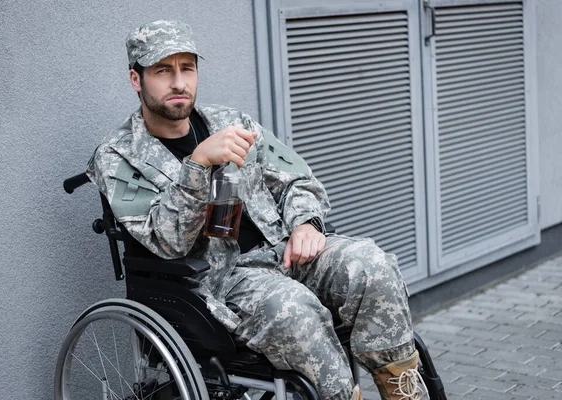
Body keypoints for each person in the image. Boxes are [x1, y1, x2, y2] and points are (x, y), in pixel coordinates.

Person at [87, 19, 426, 400]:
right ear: (137, 79)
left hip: (285, 251)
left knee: (372, 263)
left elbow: (297, 178)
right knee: (295, 309)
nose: (179, 82)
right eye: (163, 71)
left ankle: (403, 390)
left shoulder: (233, 123)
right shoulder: (117, 156)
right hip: (217, 282)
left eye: (187, 68)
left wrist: (306, 224)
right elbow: (167, 242)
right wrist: (197, 165)